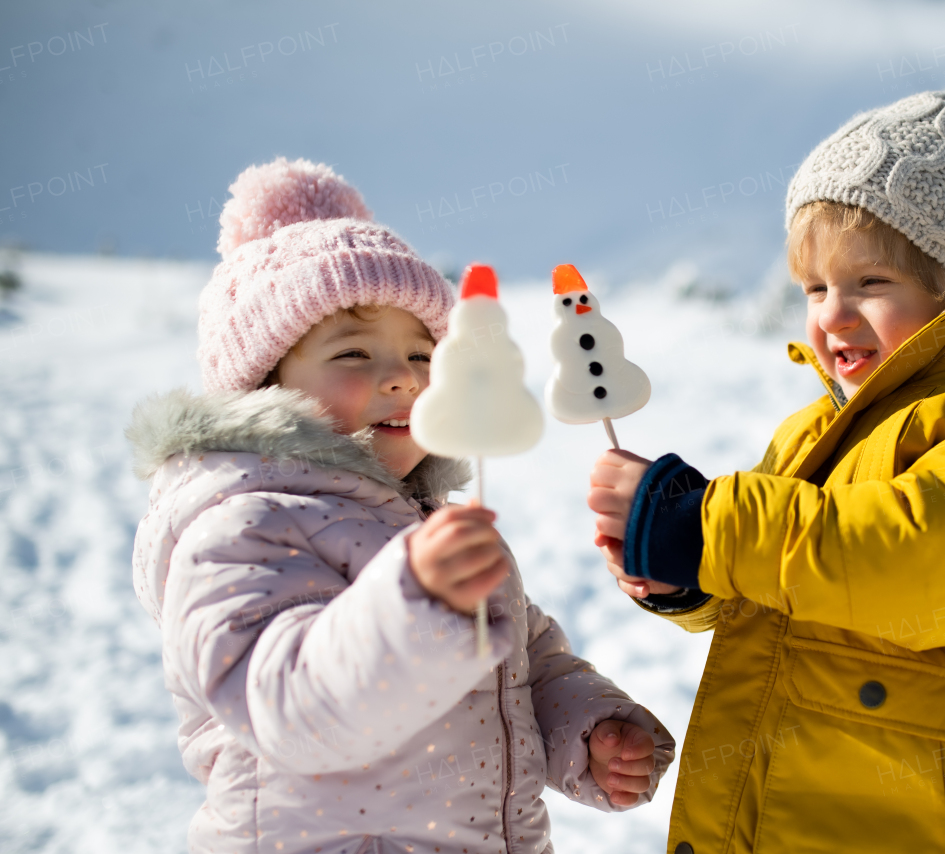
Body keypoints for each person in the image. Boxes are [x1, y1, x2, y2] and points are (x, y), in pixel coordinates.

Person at [588, 23, 945, 854]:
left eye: (870, 284)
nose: (831, 315)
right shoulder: (818, 429)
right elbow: (780, 584)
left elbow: (909, 561)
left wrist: (708, 524)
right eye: (815, 286)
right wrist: (686, 575)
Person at [127, 157, 673, 854]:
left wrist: (590, 730)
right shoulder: (243, 521)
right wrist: (414, 599)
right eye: (354, 352)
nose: (401, 381)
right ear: (265, 384)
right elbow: (290, 702)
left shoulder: (424, 518)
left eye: (422, 356)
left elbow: (521, 663)